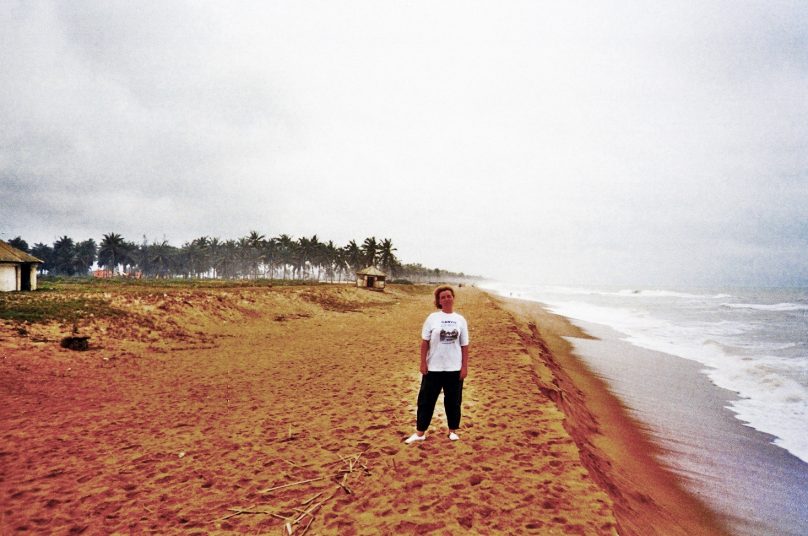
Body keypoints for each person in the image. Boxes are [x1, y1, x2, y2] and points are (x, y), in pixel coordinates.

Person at [405, 285, 469, 444]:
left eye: (449, 296)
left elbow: (464, 345)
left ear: (453, 298)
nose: (446, 299)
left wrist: (464, 366)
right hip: (433, 367)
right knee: (426, 401)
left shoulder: (460, 320)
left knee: (453, 401)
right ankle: (420, 433)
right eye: (443, 297)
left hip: (454, 368)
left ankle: (452, 431)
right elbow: (424, 342)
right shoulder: (432, 318)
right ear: (439, 301)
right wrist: (422, 363)